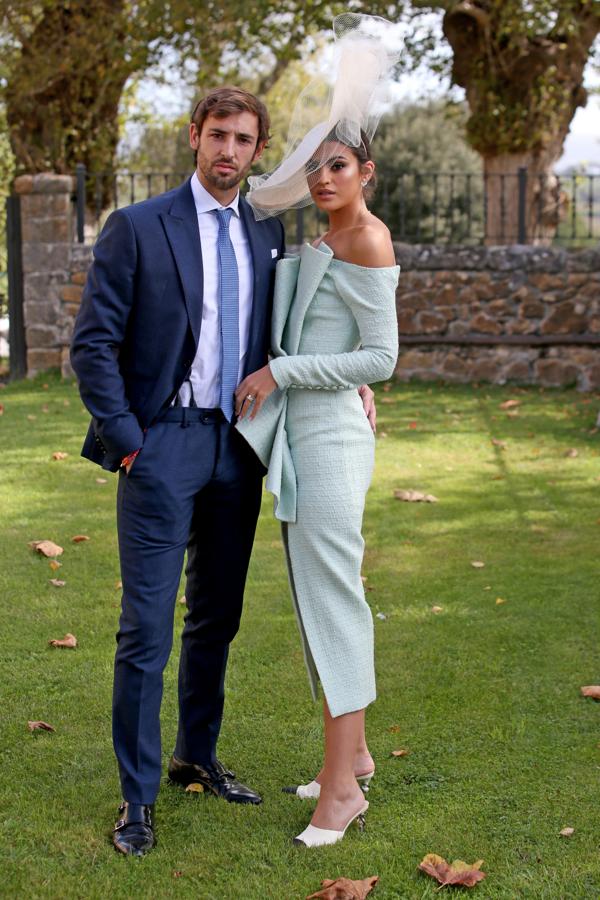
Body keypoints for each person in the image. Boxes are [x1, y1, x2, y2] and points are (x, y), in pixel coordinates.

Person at [70, 85, 375, 857]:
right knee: (146, 629)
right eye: (218, 136)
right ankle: (136, 800)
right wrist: (128, 438)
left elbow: (296, 323)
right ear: (195, 138)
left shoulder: (266, 233)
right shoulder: (137, 227)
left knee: (217, 617)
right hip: (160, 444)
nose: (229, 151)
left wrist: (355, 374)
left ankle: (194, 757)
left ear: (256, 149)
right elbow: (93, 344)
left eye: (243, 139)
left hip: (238, 448)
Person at [234, 13, 400, 847]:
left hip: (331, 441)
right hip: (303, 441)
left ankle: (343, 792)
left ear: (364, 170)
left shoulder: (367, 237)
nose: (324, 176)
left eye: (337, 165)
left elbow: (381, 357)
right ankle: (356, 755)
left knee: (334, 602)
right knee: (311, 601)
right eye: (316, 166)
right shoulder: (322, 234)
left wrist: (284, 373)